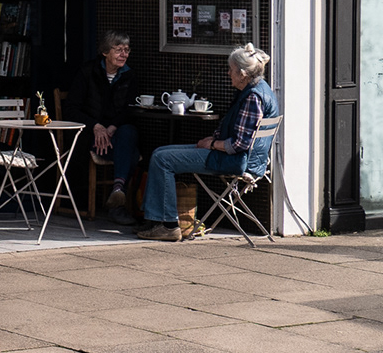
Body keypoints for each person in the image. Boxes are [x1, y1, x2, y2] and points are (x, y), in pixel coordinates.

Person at [136, 44, 277, 242]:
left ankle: (167, 225)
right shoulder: (260, 90)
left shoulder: (253, 97)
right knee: (160, 152)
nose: (228, 74)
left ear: (243, 74)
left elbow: (239, 144)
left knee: (163, 159)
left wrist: (211, 145)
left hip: (234, 160)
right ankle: (155, 220)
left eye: (231, 70)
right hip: (236, 157)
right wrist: (213, 141)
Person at [63, 31, 141, 225]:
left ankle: (117, 189)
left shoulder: (129, 75)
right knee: (131, 153)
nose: (124, 54)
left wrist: (112, 126)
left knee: (128, 131)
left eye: (126, 50)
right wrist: (96, 126)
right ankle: (118, 204)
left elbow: (131, 110)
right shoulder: (88, 72)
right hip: (89, 136)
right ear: (105, 52)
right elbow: (71, 109)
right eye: (118, 50)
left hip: (115, 136)